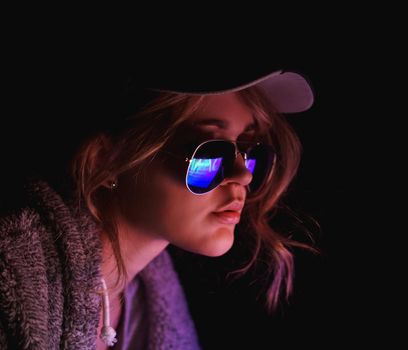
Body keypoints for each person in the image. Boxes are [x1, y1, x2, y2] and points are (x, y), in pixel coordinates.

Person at [0, 69, 315, 349]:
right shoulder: (12, 284)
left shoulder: (152, 306)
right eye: (210, 152)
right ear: (105, 160)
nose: (243, 175)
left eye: (248, 151)